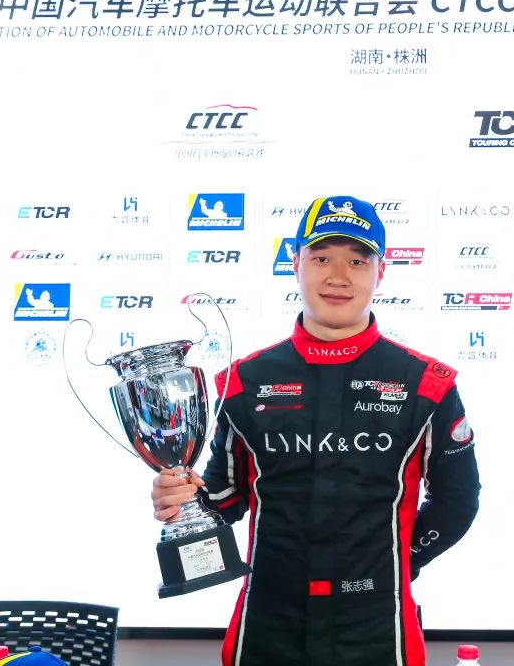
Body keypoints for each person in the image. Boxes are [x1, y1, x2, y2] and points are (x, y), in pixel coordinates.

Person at [151, 195, 481, 666]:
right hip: (267, 625)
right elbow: (225, 499)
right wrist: (182, 498)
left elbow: (458, 501)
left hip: (378, 627)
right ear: (295, 264)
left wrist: (397, 560)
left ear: (381, 273)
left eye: (357, 260)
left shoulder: (427, 384)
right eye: (321, 258)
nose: (338, 276)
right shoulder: (244, 382)